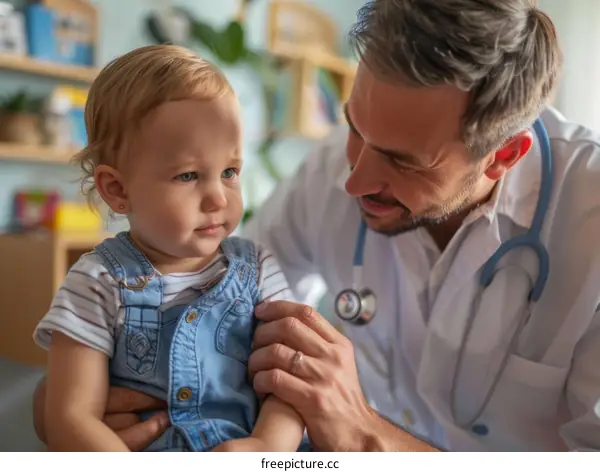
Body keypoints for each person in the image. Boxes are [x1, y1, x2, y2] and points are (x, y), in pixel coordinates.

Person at [33, 0, 600, 451]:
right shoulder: (328, 173)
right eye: (355, 128)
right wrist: (74, 405)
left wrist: (359, 431)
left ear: (503, 157)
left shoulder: (587, 221)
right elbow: (235, 323)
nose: (352, 180)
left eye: (402, 160)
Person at [31, 44, 308, 452]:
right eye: (189, 175)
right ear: (118, 189)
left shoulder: (259, 270)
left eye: (230, 171)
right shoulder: (97, 283)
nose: (218, 197)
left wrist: (265, 448)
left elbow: (290, 385)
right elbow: (71, 418)